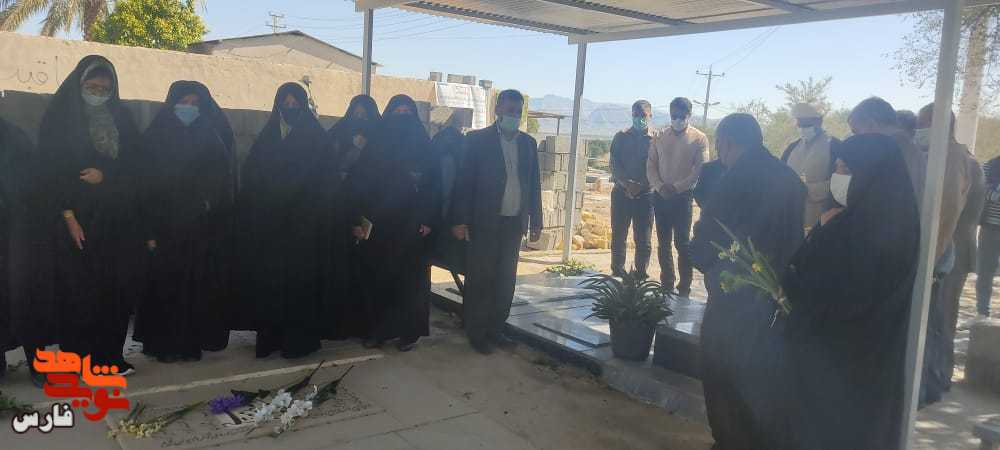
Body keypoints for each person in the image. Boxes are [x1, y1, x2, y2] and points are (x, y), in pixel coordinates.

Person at [779, 134, 919, 450]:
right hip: (870, 358)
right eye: (836, 168)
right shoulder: (897, 220)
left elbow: (813, 283)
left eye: (845, 168)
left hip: (836, 360)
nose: (837, 177)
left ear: (870, 173)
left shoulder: (857, 231)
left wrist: (821, 231)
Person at [689, 113, 804, 450]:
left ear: (726, 143)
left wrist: (702, 259)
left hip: (734, 297)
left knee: (722, 370)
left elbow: (708, 235)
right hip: (773, 298)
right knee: (761, 374)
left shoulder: (735, 179)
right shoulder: (789, 178)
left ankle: (730, 440)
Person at [38, 55, 143, 375]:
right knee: (79, 293)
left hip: (117, 221)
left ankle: (108, 359)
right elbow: (49, 173)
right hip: (75, 221)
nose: (97, 94)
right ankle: (78, 359)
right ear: (79, 84)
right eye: (91, 87)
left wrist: (106, 175)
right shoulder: (59, 119)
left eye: (104, 89)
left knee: (115, 292)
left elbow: (137, 166)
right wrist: (69, 217)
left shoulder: (122, 119)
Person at [134, 81, 235, 363]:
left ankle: (189, 343)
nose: (188, 108)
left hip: (197, 228)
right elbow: (142, 185)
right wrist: (148, 230)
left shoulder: (210, 137)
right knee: (163, 286)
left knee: (193, 288)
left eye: (194, 104)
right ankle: (161, 343)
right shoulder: (155, 136)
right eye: (183, 102)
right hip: (163, 227)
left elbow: (222, 180)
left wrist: (206, 203)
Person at [236, 82, 334, 359]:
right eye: (285, 104)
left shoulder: (318, 138)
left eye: (295, 104)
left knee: (301, 284)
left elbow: (327, 182)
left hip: (304, 227)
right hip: (271, 227)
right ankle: (271, 339)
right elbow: (251, 174)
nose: (290, 109)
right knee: (272, 283)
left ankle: (298, 342)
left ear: (304, 107)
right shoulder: (268, 136)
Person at [452, 89, 542, 355]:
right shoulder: (477, 140)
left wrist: (536, 219)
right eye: (509, 110)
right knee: (481, 279)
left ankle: (496, 329)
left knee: (505, 280)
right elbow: (463, 182)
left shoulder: (528, 144)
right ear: (498, 110)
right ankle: (477, 333)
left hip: (513, 224)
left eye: (518, 111)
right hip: (484, 222)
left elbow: (533, 183)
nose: (514, 115)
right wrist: (459, 220)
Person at [351, 94, 438, 352]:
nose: (402, 118)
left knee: (410, 282)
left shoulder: (424, 146)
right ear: (388, 115)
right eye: (397, 112)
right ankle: (377, 331)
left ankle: (408, 333)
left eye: (407, 113)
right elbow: (359, 182)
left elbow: (435, 186)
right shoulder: (375, 145)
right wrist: (358, 217)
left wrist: (428, 219)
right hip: (379, 224)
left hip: (411, 225)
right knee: (377, 279)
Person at [914, 103, 976, 405]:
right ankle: (934, 381)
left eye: (922, 124)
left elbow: (947, 211)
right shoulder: (942, 154)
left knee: (931, 325)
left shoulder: (950, 157)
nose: (918, 131)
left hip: (938, 255)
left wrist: (929, 258)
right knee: (935, 322)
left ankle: (929, 384)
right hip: (939, 253)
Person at [323, 94, 381, 341]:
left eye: (365, 116)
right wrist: (352, 150)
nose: (360, 119)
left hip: (373, 209)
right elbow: (326, 167)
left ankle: (365, 325)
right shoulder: (337, 135)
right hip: (338, 211)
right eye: (356, 114)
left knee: (366, 274)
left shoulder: (381, 139)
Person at [647, 97, 708, 297]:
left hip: (682, 198)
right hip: (660, 196)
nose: (678, 120)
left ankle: (685, 285)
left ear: (689, 115)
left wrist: (677, 187)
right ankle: (667, 282)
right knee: (663, 243)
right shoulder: (659, 136)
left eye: (682, 116)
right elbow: (651, 165)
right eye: (674, 116)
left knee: (682, 243)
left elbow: (699, 170)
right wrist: (659, 186)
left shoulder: (699, 138)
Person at [0, 118, 38, 381]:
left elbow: (32, 184)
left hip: (17, 231)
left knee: (25, 294)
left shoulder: (14, 136)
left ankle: (37, 361)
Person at [608, 100, 655, 279]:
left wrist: (641, 185)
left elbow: (656, 166)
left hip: (646, 195)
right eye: (636, 115)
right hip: (621, 193)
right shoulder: (621, 137)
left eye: (643, 115)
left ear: (650, 116)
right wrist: (627, 184)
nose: (639, 118)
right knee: (619, 235)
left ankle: (640, 274)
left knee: (643, 238)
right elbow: (614, 164)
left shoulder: (656, 140)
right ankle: (617, 271)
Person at [780, 103, 839, 229]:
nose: (802, 128)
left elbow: (840, 184)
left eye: (806, 125)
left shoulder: (834, 146)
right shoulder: (792, 147)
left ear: (819, 121)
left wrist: (807, 189)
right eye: (799, 125)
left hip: (822, 218)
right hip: (792, 216)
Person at [979, 155, 1000, 318]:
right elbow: (981, 191)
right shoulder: (991, 166)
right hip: (990, 228)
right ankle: (982, 312)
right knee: (986, 271)